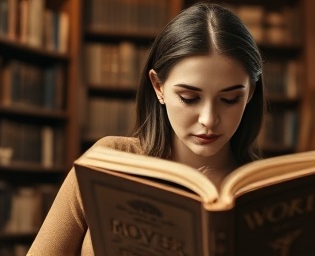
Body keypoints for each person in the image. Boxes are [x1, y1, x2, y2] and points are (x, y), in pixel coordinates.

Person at [28, 2, 266, 255]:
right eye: (189, 97)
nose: (208, 119)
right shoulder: (109, 162)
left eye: (230, 99)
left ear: (250, 93)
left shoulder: (263, 190)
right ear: (158, 86)